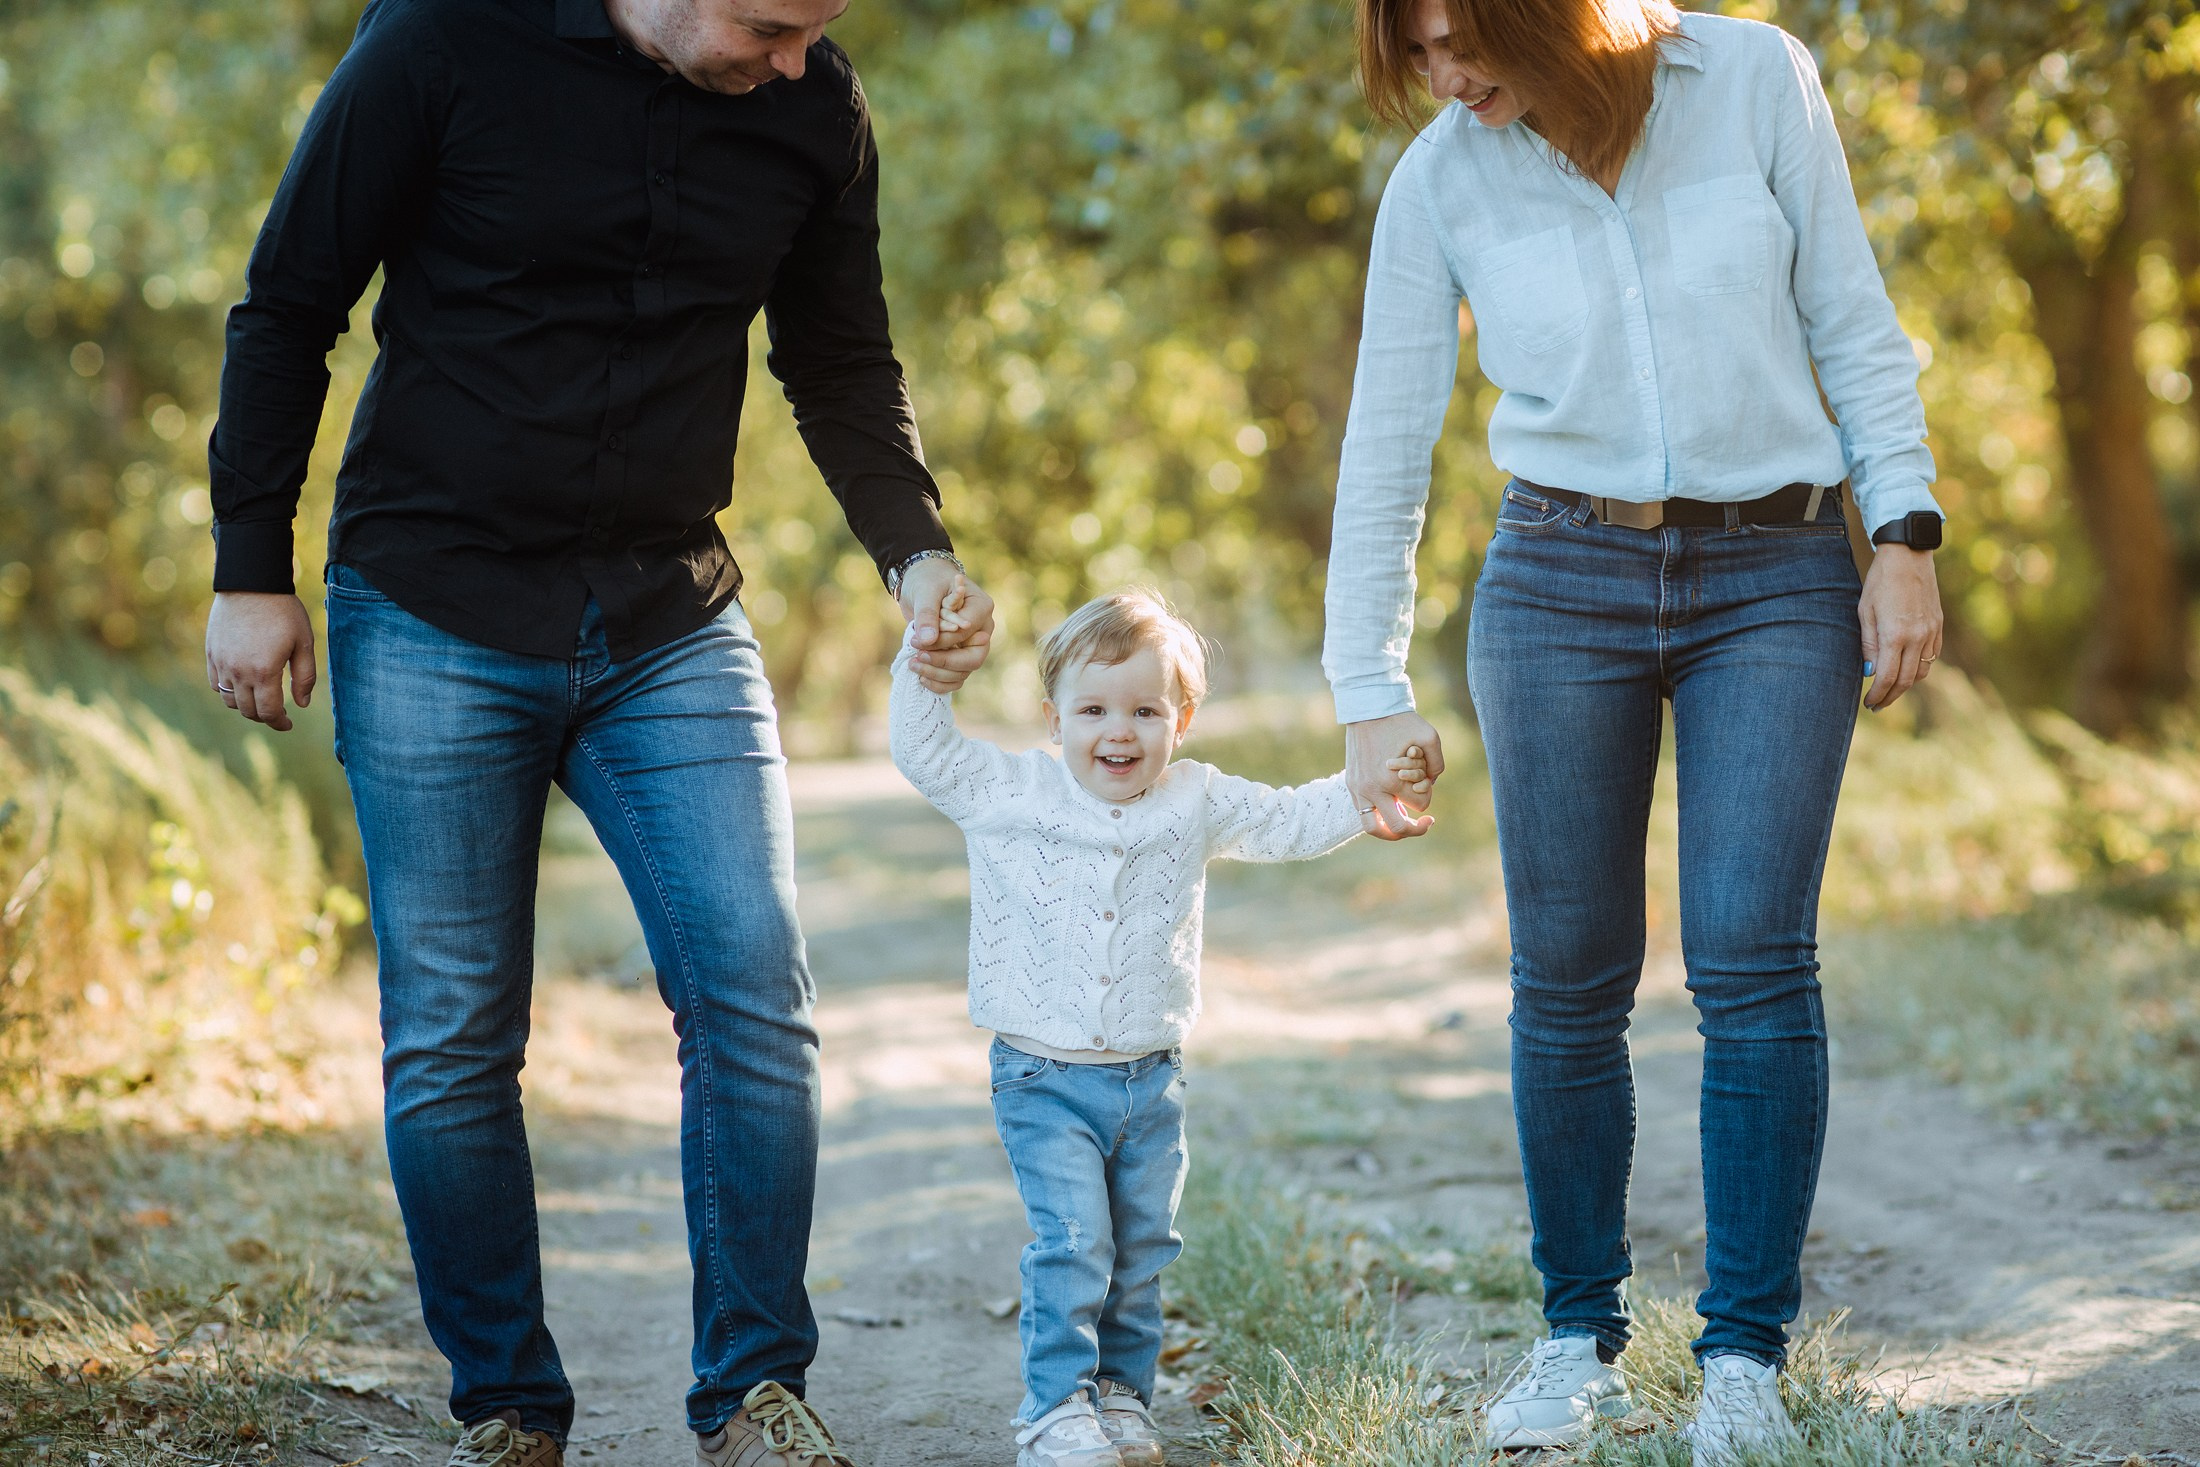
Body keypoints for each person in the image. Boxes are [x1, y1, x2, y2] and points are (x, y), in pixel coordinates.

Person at [200, 0, 997, 1463]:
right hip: (431, 602)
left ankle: (752, 1392)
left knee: (755, 991)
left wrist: (918, 554)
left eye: (815, 30)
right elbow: (288, 301)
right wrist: (251, 567)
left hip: (668, 614)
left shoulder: (815, 110)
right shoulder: (441, 42)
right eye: (768, 27)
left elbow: (839, 360)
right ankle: (509, 1406)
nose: (793, 62)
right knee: (449, 1035)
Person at [1323, 0, 1945, 1457]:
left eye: (1464, 40)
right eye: (1416, 52)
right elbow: (1386, 442)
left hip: (1778, 574)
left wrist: (1905, 533)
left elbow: (1851, 315)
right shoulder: (1442, 180)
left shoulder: (1754, 80)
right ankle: (1574, 1332)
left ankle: (1743, 1357)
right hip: (1556, 580)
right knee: (1569, 973)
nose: (1446, 77)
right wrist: (1369, 686)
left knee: (1751, 953)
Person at [889, 587, 1411, 1467]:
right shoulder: (1012, 789)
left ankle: (1122, 1396)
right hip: (1042, 1075)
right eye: (1093, 709)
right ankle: (1053, 1408)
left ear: (1184, 718)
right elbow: (924, 748)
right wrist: (923, 663)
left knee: (1140, 1249)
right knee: (1073, 1240)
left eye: (1144, 710)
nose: (1118, 732)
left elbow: (1287, 820)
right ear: (1053, 717)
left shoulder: (1194, 798)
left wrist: (1369, 793)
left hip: (1150, 1077)